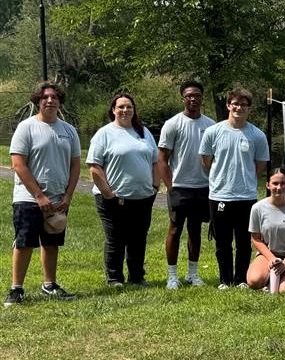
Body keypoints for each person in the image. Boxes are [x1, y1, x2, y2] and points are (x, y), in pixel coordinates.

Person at [4, 82, 81, 307]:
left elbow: (75, 166)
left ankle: (50, 285)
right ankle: (16, 289)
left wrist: (67, 196)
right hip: (28, 198)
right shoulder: (26, 127)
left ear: (60, 102)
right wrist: (38, 195)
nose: (50, 101)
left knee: (51, 242)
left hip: (58, 199)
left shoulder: (69, 131)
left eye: (55, 97)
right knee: (24, 242)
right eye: (45, 97)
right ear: (38, 101)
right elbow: (18, 164)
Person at [199, 88, 269, 289]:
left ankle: (241, 280)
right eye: (235, 104)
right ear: (228, 106)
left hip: (246, 196)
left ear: (249, 109)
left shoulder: (257, 135)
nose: (239, 108)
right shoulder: (213, 132)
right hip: (220, 195)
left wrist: (246, 179)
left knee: (243, 241)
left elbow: (260, 164)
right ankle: (225, 280)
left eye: (244, 105)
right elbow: (206, 160)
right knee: (222, 242)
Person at [87, 93, 159, 287]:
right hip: (113, 197)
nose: (125, 110)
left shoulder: (143, 132)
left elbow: (155, 161)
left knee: (138, 238)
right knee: (116, 238)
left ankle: (137, 276)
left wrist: (155, 186)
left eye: (129, 107)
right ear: (113, 110)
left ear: (134, 110)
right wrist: (109, 194)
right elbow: (94, 166)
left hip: (143, 196)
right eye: (121, 107)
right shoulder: (104, 133)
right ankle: (114, 278)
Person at [157, 80, 215, 289]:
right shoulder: (173, 124)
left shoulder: (210, 125)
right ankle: (172, 275)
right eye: (189, 95)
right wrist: (171, 187)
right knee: (174, 230)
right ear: (183, 98)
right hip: (180, 186)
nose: (193, 99)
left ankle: (193, 273)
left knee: (195, 230)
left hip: (203, 186)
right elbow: (162, 159)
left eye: (197, 95)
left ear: (202, 98)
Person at [246, 168, 285, 292]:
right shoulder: (257, 208)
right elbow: (256, 239)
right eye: (275, 183)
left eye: (283, 183)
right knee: (254, 281)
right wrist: (271, 258)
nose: (279, 187)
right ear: (268, 185)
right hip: (268, 254)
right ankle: (270, 277)